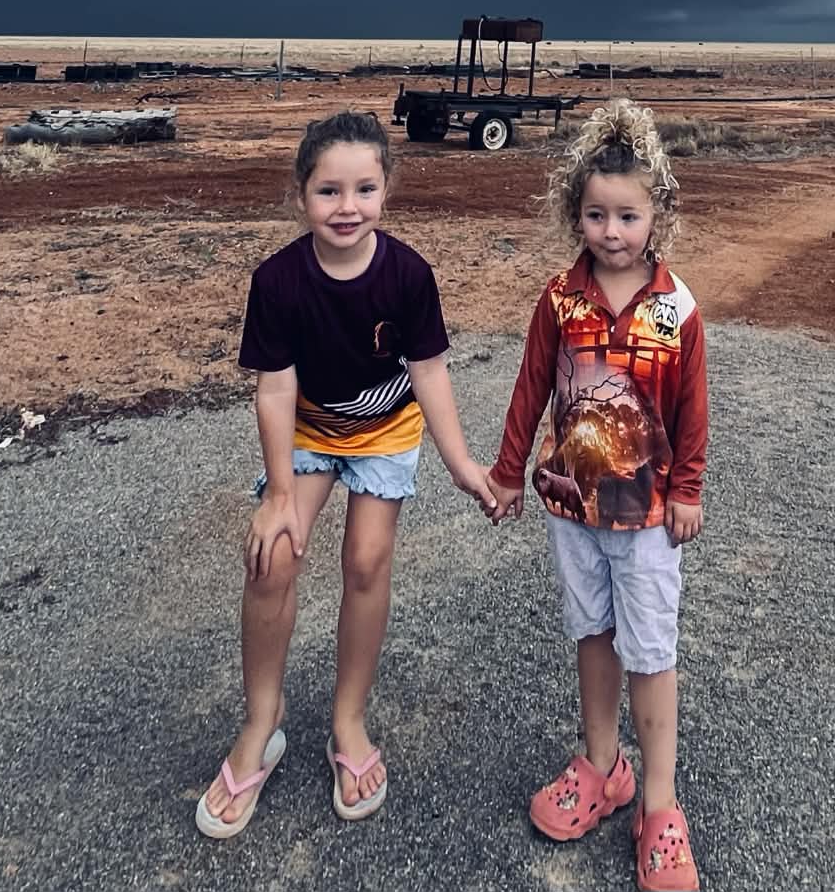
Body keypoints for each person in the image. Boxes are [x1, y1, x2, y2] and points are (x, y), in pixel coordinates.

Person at [196, 110, 500, 839]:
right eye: (329, 191)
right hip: (307, 432)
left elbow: (428, 374)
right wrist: (277, 496)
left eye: (364, 189)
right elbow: (273, 388)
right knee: (271, 557)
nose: (347, 207)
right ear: (301, 195)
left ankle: (349, 722)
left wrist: (462, 464)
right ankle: (261, 724)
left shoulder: (408, 275)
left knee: (365, 561)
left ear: (387, 189)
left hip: (386, 430)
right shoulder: (277, 281)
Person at [488, 98, 708, 892]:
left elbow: (693, 410)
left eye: (627, 215)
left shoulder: (677, 311)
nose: (611, 231)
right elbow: (529, 389)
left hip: (648, 517)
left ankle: (658, 804)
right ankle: (602, 765)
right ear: (573, 214)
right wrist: (509, 472)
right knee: (593, 632)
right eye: (595, 214)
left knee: (651, 649)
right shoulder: (559, 301)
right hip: (573, 509)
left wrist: (687, 488)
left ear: (658, 216)